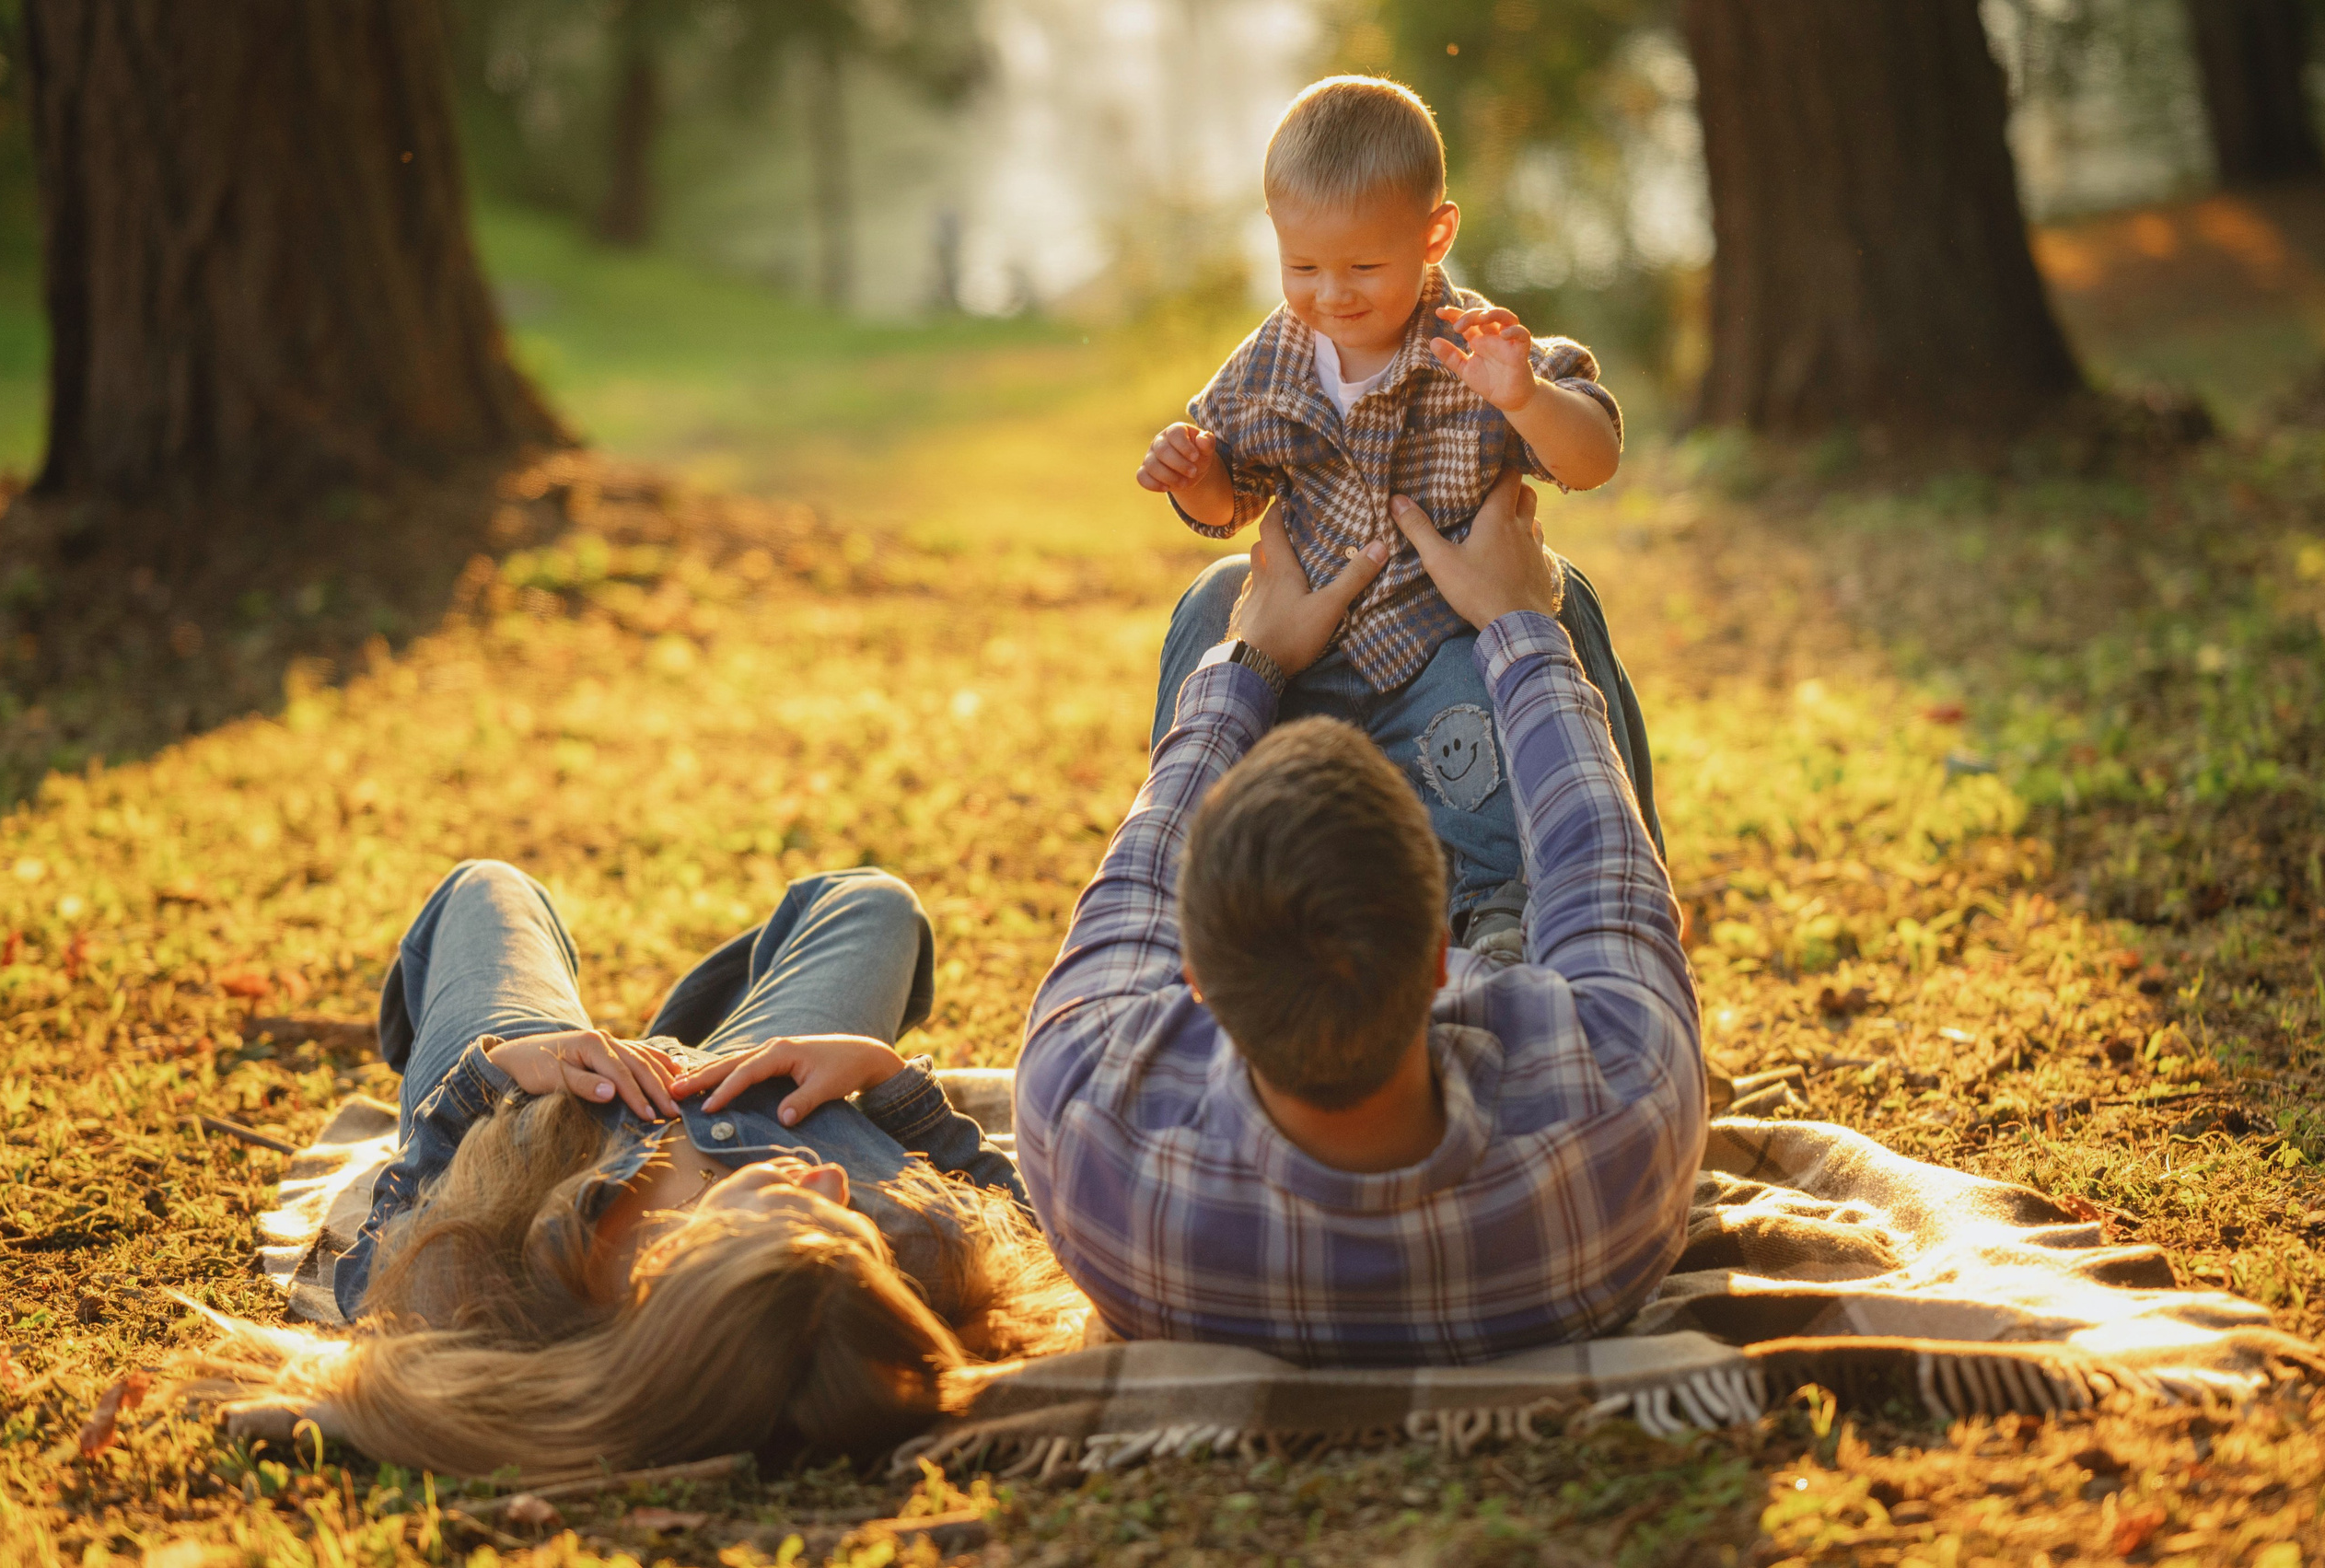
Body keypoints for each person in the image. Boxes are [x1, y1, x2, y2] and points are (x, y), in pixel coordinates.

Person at [1017, 474, 1705, 1367]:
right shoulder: (1630, 1099)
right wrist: (1520, 621)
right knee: (1557, 592)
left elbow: (1142, 872)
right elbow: (1596, 856)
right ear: (1441, 961)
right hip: (1514, 1033)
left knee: (1221, 601)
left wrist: (1249, 656)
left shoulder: (1080, 1123)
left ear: (1195, 978)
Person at [182, 861, 1086, 1473]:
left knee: (489, 888)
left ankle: (579, 1031)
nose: (832, 1183)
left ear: (688, 1278)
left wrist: (497, 1071)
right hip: (765, 1081)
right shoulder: (887, 1275)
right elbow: (1029, 1221)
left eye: (795, 1207)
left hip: (546, 1083)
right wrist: (886, 1079)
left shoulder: (520, 1298)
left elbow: (397, 1228)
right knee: (872, 901)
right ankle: (700, 1023)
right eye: (855, 1234)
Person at [1134, 75, 1653, 961]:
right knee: (1232, 668)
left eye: (1364, 267)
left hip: (1443, 633)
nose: (1332, 293)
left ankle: (1497, 916)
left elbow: (1592, 456)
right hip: (1314, 646)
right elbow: (1233, 499)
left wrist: (1525, 399)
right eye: (1303, 268)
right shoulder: (1268, 364)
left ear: (1434, 235)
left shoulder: (1476, 347)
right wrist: (1198, 475)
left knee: (1484, 758)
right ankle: (1217, 908)